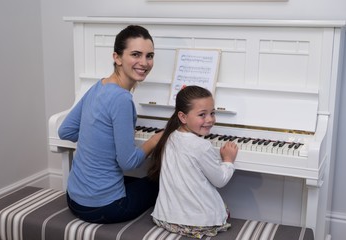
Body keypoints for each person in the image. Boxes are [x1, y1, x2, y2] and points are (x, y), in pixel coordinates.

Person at [58, 25, 163, 224]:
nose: (144, 62)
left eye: (149, 56)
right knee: (160, 183)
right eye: (135, 54)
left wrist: (98, 137)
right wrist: (155, 139)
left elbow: (65, 130)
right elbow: (128, 163)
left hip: (73, 198)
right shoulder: (122, 99)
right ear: (117, 57)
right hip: (104, 207)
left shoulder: (99, 86)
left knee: (140, 182)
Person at [148, 85, 238, 239]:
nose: (210, 119)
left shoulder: (169, 136)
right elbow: (220, 180)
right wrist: (228, 160)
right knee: (222, 210)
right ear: (183, 117)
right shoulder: (201, 145)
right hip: (196, 224)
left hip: (165, 217)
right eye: (202, 115)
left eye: (212, 113)